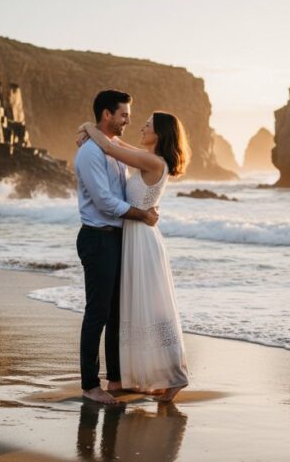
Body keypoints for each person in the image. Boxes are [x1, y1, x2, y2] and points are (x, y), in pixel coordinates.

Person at [78, 110, 191, 402]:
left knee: (151, 308)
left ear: (161, 134)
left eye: (148, 125)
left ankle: (176, 376)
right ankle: (151, 375)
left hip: (140, 238)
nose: (141, 127)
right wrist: (94, 131)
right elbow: (118, 146)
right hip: (135, 236)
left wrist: (88, 126)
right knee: (138, 306)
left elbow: (110, 147)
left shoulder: (153, 161)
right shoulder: (148, 157)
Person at [74, 90, 159, 405]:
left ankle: (116, 379)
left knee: (115, 313)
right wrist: (143, 215)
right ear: (107, 115)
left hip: (117, 237)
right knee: (97, 312)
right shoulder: (90, 154)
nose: (128, 120)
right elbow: (105, 202)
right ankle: (89, 384)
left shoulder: (110, 149)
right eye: (123, 114)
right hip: (98, 237)